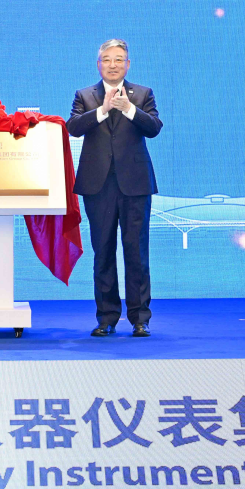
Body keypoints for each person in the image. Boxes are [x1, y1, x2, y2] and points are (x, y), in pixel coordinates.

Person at [67, 39, 162, 337]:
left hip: (135, 184)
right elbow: (73, 127)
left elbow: (154, 128)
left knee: (137, 252)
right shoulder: (85, 95)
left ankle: (140, 318)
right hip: (98, 186)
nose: (113, 64)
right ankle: (106, 318)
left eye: (119, 59)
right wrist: (103, 110)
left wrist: (130, 109)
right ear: (99, 64)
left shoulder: (143, 94)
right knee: (103, 252)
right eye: (107, 59)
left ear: (127, 64)